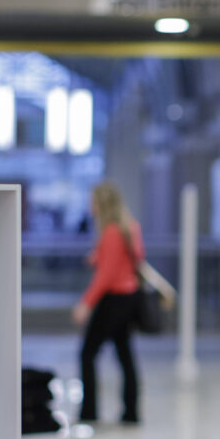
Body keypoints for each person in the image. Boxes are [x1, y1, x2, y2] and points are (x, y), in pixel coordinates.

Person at [72, 183, 143, 426]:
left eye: (93, 201)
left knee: (87, 354)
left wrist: (86, 303)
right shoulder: (130, 228)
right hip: (129, 298)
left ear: (102, 203)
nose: (90, 206)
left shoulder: (111, 232)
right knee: (125, 356)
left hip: (113, 300)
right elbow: (135, 259)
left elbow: (107, 275)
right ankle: (131, 412)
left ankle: (89, 412)